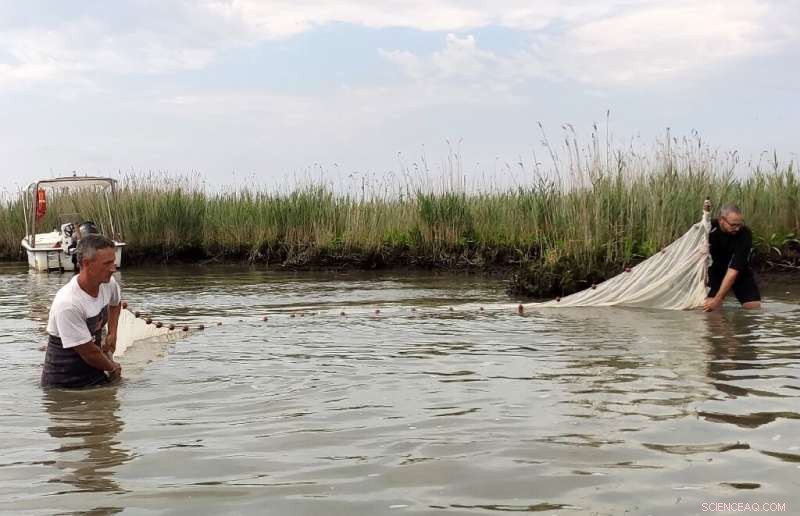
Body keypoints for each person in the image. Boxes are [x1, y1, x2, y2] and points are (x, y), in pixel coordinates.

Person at [42, 234, 123, 388]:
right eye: (107, 263)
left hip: (96, 369)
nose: (114, 268)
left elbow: (116, 304)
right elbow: (89, 353)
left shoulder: (108, 284)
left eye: (113, 261)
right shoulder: (68, 303)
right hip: (65, 385)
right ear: (86, 263)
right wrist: (113, 367)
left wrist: (113, 333)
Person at [703, 203, 761, 312]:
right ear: (722, 220)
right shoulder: (708, 228)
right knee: (710, 309)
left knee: (754, 309)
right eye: (733, 225)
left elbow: (733, 270)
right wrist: (715, 301)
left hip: (739, 272)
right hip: (714, 271)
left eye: (739, 224)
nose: (737, 228)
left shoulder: (745, 234)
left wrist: (718, 299)